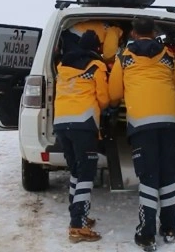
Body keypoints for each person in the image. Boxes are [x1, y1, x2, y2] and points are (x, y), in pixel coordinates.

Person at [108, 17, 175, 251]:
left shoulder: (125, 58)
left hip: (142, 125)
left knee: (149, 177)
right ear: (153, 32)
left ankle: (146, 234)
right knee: (169, 175)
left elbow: (113, 93)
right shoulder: (169, 57)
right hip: (170, 123)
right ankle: (169, 228)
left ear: (132, 33)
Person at [53, 30, 109, 243]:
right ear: (96, 48)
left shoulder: (62, 67)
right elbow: (103, 98)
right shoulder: (97, 66)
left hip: (61, 123)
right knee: (87, 173)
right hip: (83, 123)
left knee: (76, 170)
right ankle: (78, 227)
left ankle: (77, 215)